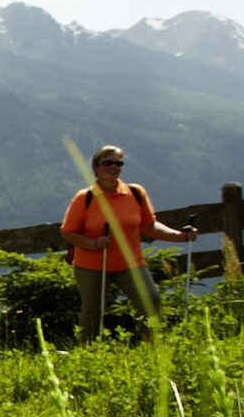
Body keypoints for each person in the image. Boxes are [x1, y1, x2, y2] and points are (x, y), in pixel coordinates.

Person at [62, 144, 196, 343]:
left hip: (131, 263)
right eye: (108, 162)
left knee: (151, 301)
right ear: (96, 167)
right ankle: (89, 351)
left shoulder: (136, 193)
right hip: (92, 265)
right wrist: (94, 243)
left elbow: (150, 226)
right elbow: (69, 232)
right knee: (93, 311)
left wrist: (180, 236)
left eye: (118, 163)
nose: (114, 167)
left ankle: (153, 346)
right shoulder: (85, 198)